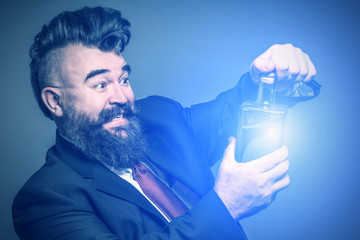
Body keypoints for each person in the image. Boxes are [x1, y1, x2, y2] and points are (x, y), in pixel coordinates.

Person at [12, 6, 320, 240]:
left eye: (123, 78)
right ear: (55, 102)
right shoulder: (44, 200)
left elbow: (230, 111)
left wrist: (270, 77)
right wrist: (224, 206)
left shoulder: (159, 119)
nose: (122, 96)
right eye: (100, 85)